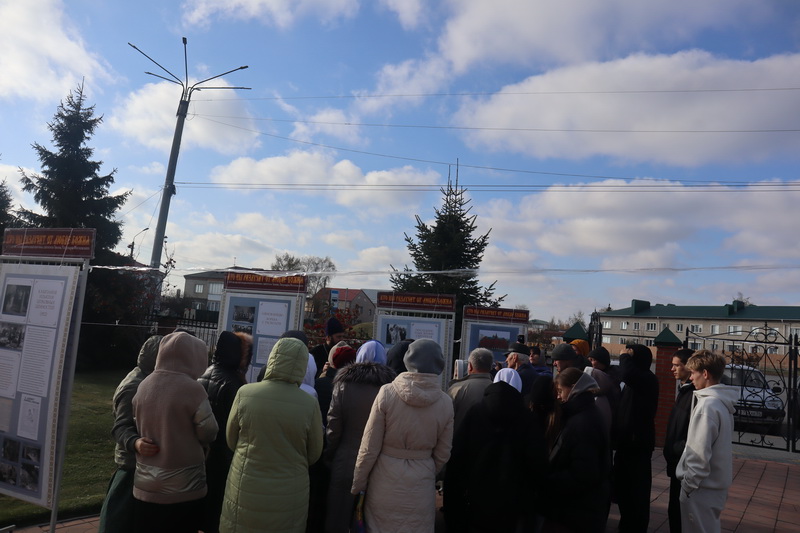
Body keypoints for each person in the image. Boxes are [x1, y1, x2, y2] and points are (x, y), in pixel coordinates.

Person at [220, 337, 324, 533]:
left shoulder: (245, 393)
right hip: (289, 490)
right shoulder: (309, 404)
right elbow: (314, 453)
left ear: (273, 358)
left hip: (246, 484)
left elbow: (231, 440)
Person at [351, 339, 454, 532]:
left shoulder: (387, 393)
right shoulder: (445, 402)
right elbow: (443, 452)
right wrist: (425, 468)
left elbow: (369, 445)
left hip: (384, 480)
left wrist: (358, 483)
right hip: (421, 485)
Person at [131, 331, 219, 533]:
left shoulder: (144, 385)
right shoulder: (193, 389)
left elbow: (136, 421)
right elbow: (209, 431)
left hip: (145, 480)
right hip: (184, 484)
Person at [444, 368, 547, 533]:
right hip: (514, 505)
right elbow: (537, 462)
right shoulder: (528, 418)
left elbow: (458, 459)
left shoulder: (475, 412)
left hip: (476, 501)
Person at [324, 348, 396, 533]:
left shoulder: (344, 384)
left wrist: (330, 454)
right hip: (377, 464)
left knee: (338, 518)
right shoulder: (390, 389)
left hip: (345, 459)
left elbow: (333, 426)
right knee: (369, 520)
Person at [97, 335, 162, 533]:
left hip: (142, 467)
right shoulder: (134, 386)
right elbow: (120, 427)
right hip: (131, 466)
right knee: (119, 520)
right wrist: (135, 443)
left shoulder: (148, 380)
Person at [198, 331, 253, 533]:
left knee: (202, 504)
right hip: (224, 456)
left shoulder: (202, 375)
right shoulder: (235, 384)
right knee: (218, 509)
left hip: (201, 452)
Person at [676, 350, 737, 533]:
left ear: (705, 373)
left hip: (701, 488)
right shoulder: (720, 403)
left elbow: (699, 453)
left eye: (693, 373)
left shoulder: (708, 406)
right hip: (714, 487)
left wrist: (688, 486)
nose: (690, 377)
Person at [544, 367, 611, 533]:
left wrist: (548, 479)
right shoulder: (583, 413)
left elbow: (583, 473)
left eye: (560, 391)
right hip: (581, 507)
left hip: (577, 511)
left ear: (573, 388)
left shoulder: (582, 421)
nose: (558, 396)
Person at [612, 344, 660, 533]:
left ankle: (635, 527)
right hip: (627, 443)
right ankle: (627, 525)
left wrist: (624, 356)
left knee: (636, 492)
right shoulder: (636, 381)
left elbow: (627, 374)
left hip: (637, 445)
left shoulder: (647, 379)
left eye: (631, 357)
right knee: (625, 491)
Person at [663, 348, 696, 533]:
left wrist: (677, 449)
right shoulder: (684, 391)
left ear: (689, 367)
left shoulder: (693, 395)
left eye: (677, 365)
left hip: (683, 462)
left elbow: (692, 432)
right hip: (676, 461)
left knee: (680, 512)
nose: (672, 369)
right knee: (674, 509)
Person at [446, 347, 494, 434]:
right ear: (490, 367)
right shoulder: (497, 389)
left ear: (470, 366)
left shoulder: (457, 388)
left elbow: (446, 420)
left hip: (459, 440)